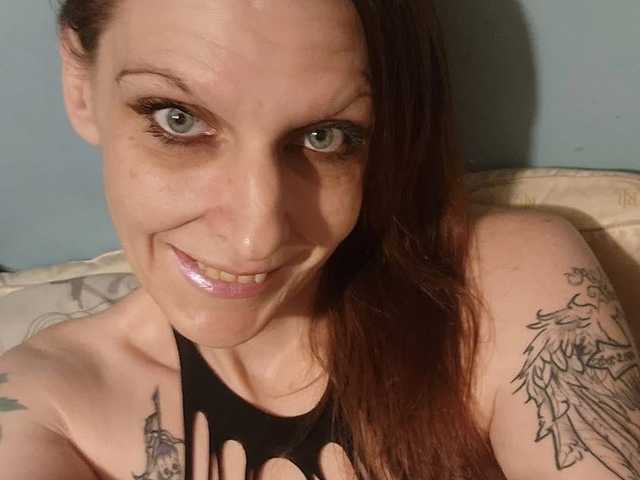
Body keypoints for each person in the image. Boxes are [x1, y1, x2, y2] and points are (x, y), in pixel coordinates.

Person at [0, 0, 638, 478]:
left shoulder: (503, 293)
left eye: (323, 137)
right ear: (80, 86)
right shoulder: (47, 408)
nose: (254, 237)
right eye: (179, 120)